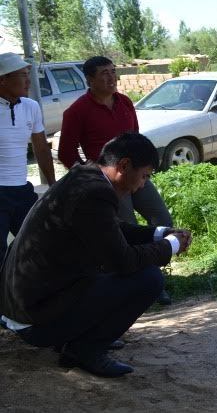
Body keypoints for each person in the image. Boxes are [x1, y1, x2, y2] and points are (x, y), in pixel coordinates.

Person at [0, 132, 192, 377]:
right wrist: (171, 245)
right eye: (144, 176)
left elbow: (110, 230)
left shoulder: (84, 176)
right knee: (149, 279)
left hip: (23, 306)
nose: (143, 185)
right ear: (124, 165)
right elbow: (123, 261)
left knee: (109, 271)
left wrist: (159, 233)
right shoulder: (95, 193)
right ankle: (84, 350)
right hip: (36, 321)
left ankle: (80, 337)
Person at [58, 55, 173, 305]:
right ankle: (140, 284)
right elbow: (66, 152)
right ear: (89, 79)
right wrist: (92, 178)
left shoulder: (125, 102)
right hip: (109, 183)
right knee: (127, 230)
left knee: (161, 218)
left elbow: (136, 138)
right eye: (104, 73)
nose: (111, 78)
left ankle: (156, 276)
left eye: (113, 71)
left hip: (135, 174)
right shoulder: (77, 111)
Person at [0, 53, 56, 265]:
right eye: (23, 75)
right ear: (3, 79)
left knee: (39, 244)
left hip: (21, 190)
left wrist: (53, 186)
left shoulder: (30, 106)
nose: (28, 81)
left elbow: (41, 148)